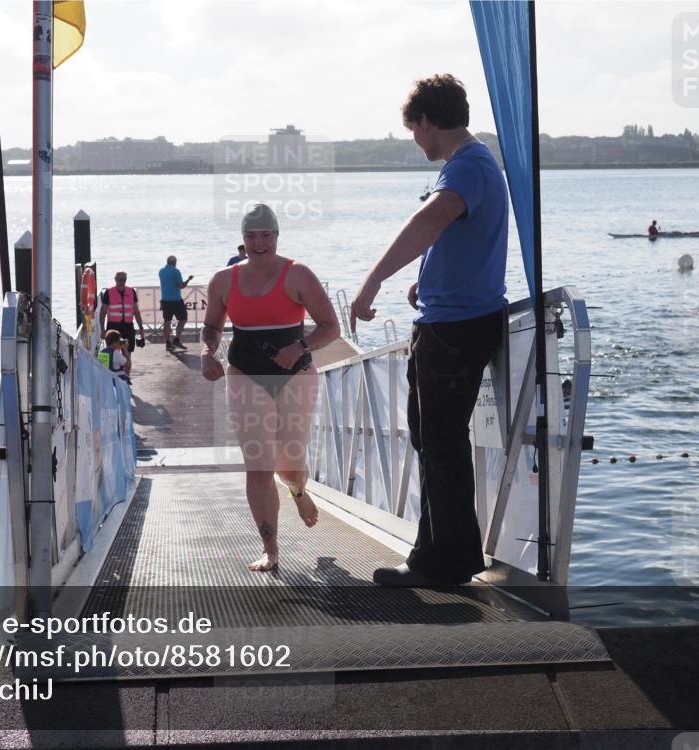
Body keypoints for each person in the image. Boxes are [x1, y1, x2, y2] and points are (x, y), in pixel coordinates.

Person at [349, 74, 508, 587]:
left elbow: (426, 224)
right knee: (433, 439)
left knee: (440, 442)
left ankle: (445, 561)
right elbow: (451, 236)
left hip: (455, 328)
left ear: (427, 121)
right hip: (453, 319)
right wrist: (426, 281)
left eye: (414, 129)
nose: (415, 139)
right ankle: (439, 554)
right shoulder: (473, 167)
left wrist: (372, 282)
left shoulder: (468, 166)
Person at [201, 204, 340, 572]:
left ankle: (298, 490)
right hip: (245, 374)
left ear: (277, 236)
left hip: (295, 374)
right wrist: (206, 352)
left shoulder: (298, 275)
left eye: (266, 235)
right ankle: (271, 548)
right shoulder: (223, 281)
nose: (259, 243)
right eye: (251, 236)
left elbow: (330, 326)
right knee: (259, 467)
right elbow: (212, 327)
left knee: (289, 463)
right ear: (242, 240)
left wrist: (301, 346)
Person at [99, 272, 146, 377]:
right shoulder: (109, 292)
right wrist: (102, 330)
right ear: (115, 279)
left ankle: (127, 377)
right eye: (119, 280)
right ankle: (111, 376)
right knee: (112, 352)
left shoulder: (131, 291)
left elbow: (136, 311)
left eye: (123, 280)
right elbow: (102, 313)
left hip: (128, 327)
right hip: (113, 328)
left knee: (127, 351)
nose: (121, 282)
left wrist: (141, 328)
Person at [158, 255, 194, 351]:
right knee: (183, 319)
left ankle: (168, 343)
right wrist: (188, 280)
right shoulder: (176, 271)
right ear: (174, 262)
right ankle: (177, 340)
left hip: (165, 300)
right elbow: (181, 285)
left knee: (167, 322)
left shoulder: (161, 271)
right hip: (176, 300)